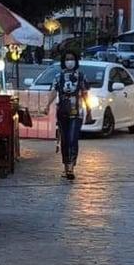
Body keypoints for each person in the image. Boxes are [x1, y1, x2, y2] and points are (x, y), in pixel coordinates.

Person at [45, 52, 89, 180]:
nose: (70, 61)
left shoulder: (81, 76)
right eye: (67, 59)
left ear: (76, 61)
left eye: (72, 59)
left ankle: (71, 167)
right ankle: (66, 167)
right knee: (64, 140)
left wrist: (89, 108)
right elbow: (53, 91)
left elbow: (85, 93)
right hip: (63, 112)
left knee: (72, 139)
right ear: (64, 61)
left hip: (77, 113)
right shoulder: (59, 77)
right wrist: (47, 105)